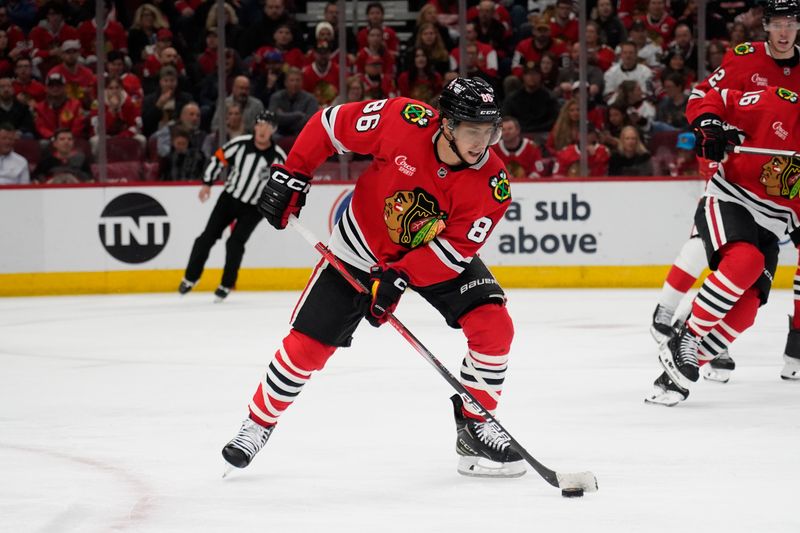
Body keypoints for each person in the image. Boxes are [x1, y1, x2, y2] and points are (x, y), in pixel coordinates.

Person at [221, 77, 526, 479]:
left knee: (494, 324)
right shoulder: (401, 119)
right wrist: (293, 173)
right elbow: (328, 125)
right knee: (308, 347)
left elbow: (453, 253)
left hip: (432, 254)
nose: (481, 143)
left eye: (489, 131)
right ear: (446, 124)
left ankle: (475, 426)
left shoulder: (492, 183)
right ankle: (257, 424)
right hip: (360, 246)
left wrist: (399, 276)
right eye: (473, 131)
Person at [648, 0, 800, 389]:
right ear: (766, 26)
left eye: (792, 24)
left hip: (780, 202)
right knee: (721, 251)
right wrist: (711, 127)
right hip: (733, 174)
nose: (785, 32)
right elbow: (707, 98)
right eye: (778, 24)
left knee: (747, 296)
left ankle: (695, 347)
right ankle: (673, 317)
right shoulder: (752, 68)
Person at [178, 110, 286, 301]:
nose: (263, 130)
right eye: (260, 124)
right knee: (206, 237)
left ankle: (226, 284)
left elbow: (283, 185)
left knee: (235, 243)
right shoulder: (240, 144)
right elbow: (218, 158)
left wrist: (278, 206)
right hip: (229, 199)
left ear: (273, 130)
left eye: (268, 126)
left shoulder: (278, 157)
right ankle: (190, 278)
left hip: (254, 208)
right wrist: (207, 183)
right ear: (254, 126)